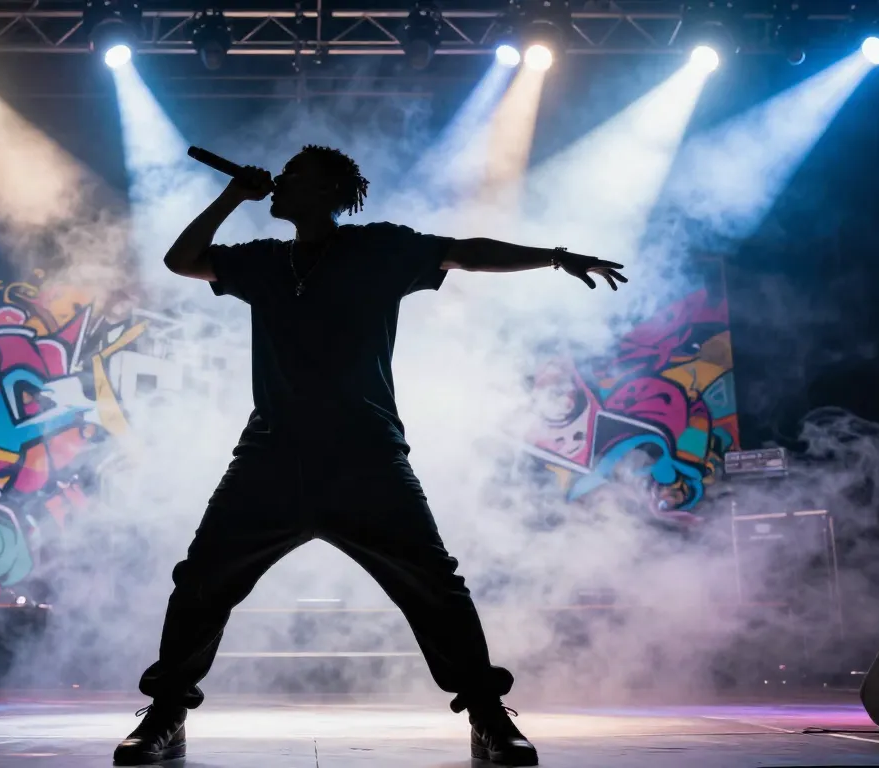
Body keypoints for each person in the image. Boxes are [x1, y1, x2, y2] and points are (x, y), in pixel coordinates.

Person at [113, 145, 627, 766]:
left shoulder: (380, 248)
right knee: (202, 581)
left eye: (295, 174)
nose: (281, 180)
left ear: (330, 191)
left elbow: (465, 251)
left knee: (435, 586)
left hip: (366, 454)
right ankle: (166, 713)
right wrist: (232, 195)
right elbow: (182, 260)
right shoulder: (263, 261)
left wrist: (553, 255)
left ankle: (488, 715)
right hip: (272, 454)